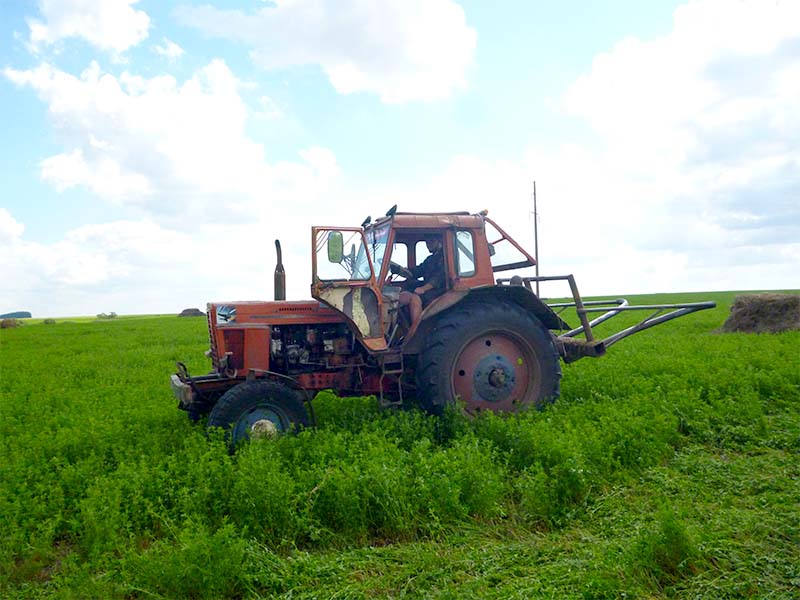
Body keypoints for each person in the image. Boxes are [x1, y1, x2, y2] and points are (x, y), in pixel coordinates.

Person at [398, 237, 445, 326]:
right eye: (427, 242)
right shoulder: (430, 259)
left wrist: (424, 288)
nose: (428, 245)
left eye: (431, 241)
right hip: (429, 287)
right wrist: (403, 271)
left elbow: (439, 277)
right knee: (405, 289)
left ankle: (416, 330)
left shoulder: (445, 258)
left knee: (415, 298)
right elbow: (418, 271)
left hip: (439, 289)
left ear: (439, 241)